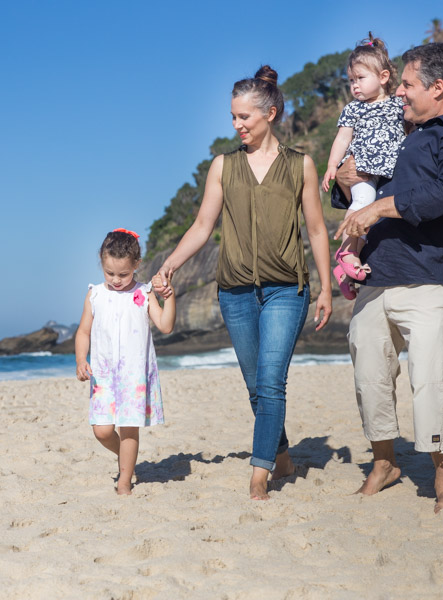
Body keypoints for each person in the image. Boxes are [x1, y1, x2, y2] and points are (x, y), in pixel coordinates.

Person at [153, 66, 333, 500]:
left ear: (270, 114)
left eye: (244, 118)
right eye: (232, 117)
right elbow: (202, 225)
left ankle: (259, 472)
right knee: (257, 386)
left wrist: (326, 287)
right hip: (234, 292)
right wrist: (170, 264)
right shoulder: (223, 166)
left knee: (272, 382)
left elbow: (315, 229)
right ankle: (282, 452)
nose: (237, 126)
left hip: (286, 290)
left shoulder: (300, 165)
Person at [334, 42, 443, 513]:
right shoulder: (396, 127)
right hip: (377, 274)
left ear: (438, 88)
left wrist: (382, 205)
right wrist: (348, 182)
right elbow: (364, 187)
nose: (398, 92)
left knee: (430, 378)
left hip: (428, 273)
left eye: (406, 84)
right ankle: (384, 463)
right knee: (370, 375)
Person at [75, 228, 176, 495]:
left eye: (123, 274)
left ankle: (124, 480)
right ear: (101, 262)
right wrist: (80, 360)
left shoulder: (143, 293)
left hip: (133, 376)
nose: (116, 280)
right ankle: (126, 460)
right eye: (110, 273)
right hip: (103, 375)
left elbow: (165, 326)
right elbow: (83, 331)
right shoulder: (94, 294)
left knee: (128, 429)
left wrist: (169, 298)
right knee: (102, 430)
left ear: (136, 265)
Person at [321, 33, 405, 301]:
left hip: (387, 171)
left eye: (360, 78)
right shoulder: (353, 109)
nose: (354, 86)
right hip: (361, 170)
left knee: (375, 219)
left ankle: (345, 273)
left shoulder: (397, 104)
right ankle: (347, 252)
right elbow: (343, 138)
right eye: (350, 80)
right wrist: (332, 166)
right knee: (363, 203)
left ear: (382, 77)